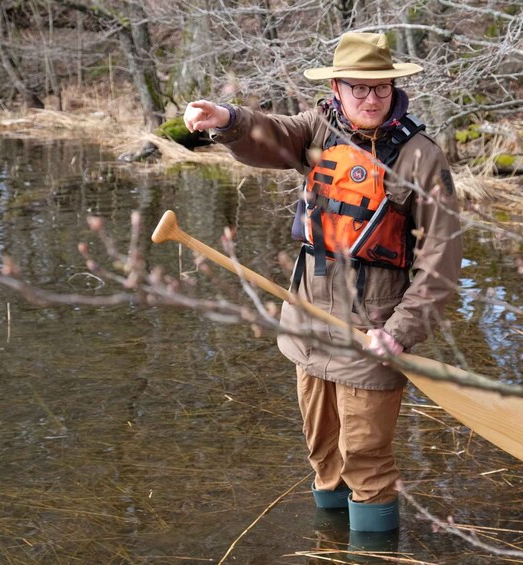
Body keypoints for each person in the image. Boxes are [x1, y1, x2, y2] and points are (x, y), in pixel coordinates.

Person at [183, 32, 463, 536]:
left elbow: (441, 263)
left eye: (380, 88)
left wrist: (400, 331)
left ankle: (371, 551)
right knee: (322, 451)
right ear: (337, 87)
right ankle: (328, 545)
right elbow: (269, 134)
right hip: (308, 320)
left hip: (374, 330)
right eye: (358, 88)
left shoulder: (422, 157)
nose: (371, 99)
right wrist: (227, 120)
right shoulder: (318, 129)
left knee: (367, 460)